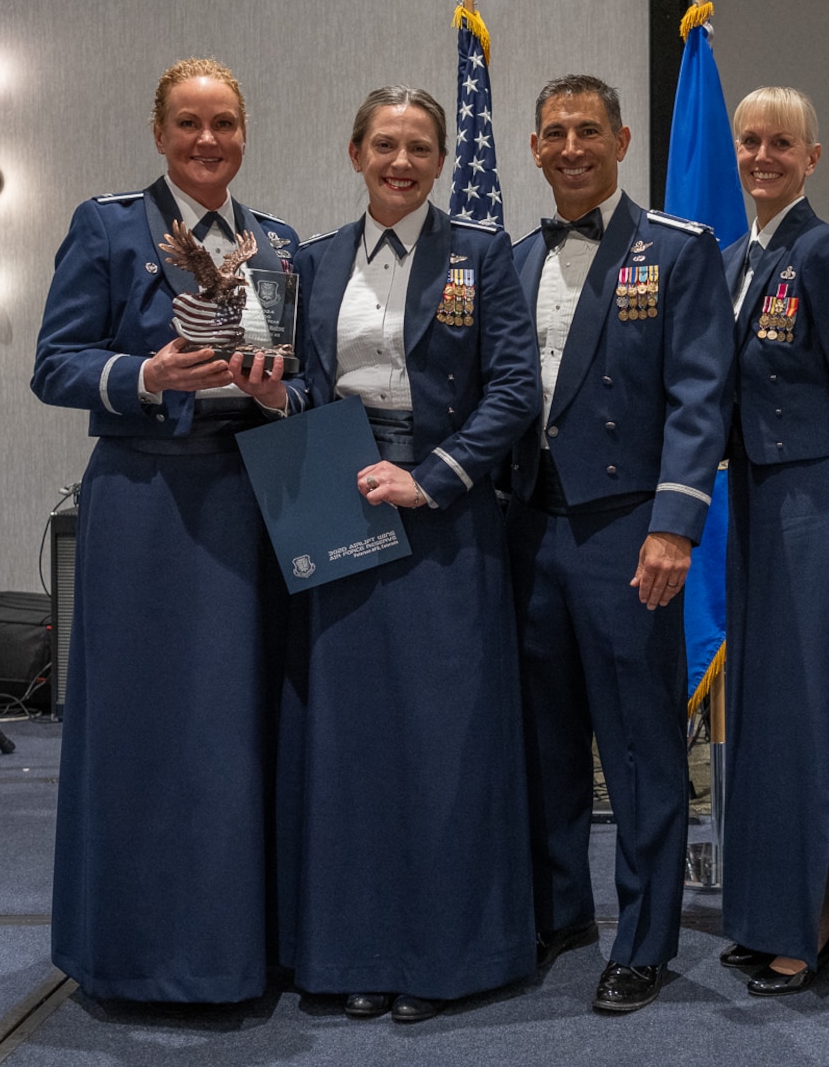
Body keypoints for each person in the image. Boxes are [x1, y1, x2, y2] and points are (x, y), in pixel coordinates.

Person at [243, 87, 539, 1024]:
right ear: (353, 152)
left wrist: (437, 476)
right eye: (383, 144)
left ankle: (448, 954)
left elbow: (515, 388)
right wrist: (270, 401)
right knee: (352, 744)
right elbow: (305, 384)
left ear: (443, 160)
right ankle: (356, 949)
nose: (400, 161)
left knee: (446, 743)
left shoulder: (484, 257)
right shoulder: (310, 261)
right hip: (339, 503)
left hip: (446, 517)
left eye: (418, 147)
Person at [32, 57, 298, 1003]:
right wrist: (145, 377)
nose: (207, 139)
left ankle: (240, 949)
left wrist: (277, 393)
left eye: (224, 121)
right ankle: (132, 953)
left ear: (244, 130)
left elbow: (298, 379)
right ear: (159, 132)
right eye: (188, 122)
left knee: (238, 726)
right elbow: (55, 363)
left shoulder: (277, 241)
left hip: (247, 503)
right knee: (140, 728)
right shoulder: (108, 225)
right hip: (142, 503)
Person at [506, 74, 732, 1014]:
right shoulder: (510, 259)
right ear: (532, 148)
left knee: (639, 750)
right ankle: (561, 913)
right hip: (528, 530)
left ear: (623, 139)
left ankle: (642, 939)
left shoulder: (677, 250)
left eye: (587, 130)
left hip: (629, 532)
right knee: (545, 743)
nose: (570, 147)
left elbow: (699, 395)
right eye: (554, 132)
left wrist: (675, 525)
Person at [715, 87, 829, 995]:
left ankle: (817, 923)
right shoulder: (741, 255)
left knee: (809, 713)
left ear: (812, 157)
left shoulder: (826, 252)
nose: (760, 156)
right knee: (761, 712)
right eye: (749, 141)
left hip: (815, 497)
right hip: (754, 493)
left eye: (780, 142)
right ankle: (764, 910)